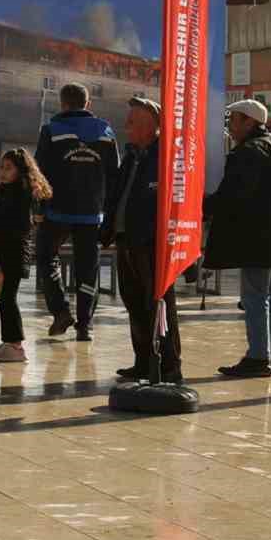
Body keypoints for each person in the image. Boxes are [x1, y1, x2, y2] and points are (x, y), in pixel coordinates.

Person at [35, 83, 120, 342]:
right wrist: (110, 214)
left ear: (62, 103)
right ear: (88, 104)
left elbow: (38, 173)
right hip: (92, 213)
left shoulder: (51, 130)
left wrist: (38, 209)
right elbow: (114, 174)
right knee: (88, 269)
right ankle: (85, 325)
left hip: (57, 211)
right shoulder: (105, 132)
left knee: (46, 256)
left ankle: (61, 310)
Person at [105, 97, 181, 384]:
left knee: (158, 306)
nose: (126, 126)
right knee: (134, 303)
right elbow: (117, 195)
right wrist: (108, 229)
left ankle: (169, 366)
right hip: (126, 240)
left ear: (151, 126)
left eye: (133, 121)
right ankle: (143, 361)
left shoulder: (165, 157)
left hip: (151, 243)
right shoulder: (131, 156)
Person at [208, 99, 271, 378]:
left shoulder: (248, 152)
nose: (230, 127)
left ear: (249, 122)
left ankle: (259, 357)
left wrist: (200, 207)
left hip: (259, 236)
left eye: (234, 120)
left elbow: (234, 196)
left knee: (255, 297)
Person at [0, 148, 52, 364]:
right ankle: (10, 343)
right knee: (6, 297)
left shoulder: (20, 192)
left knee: (7, 298)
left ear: (20, 170)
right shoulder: (10, 190)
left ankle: (15, 345)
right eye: (1, 167)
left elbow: (18, 225)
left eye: (8, 168)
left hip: (14, 252)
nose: (3, 172)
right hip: (9, 250)